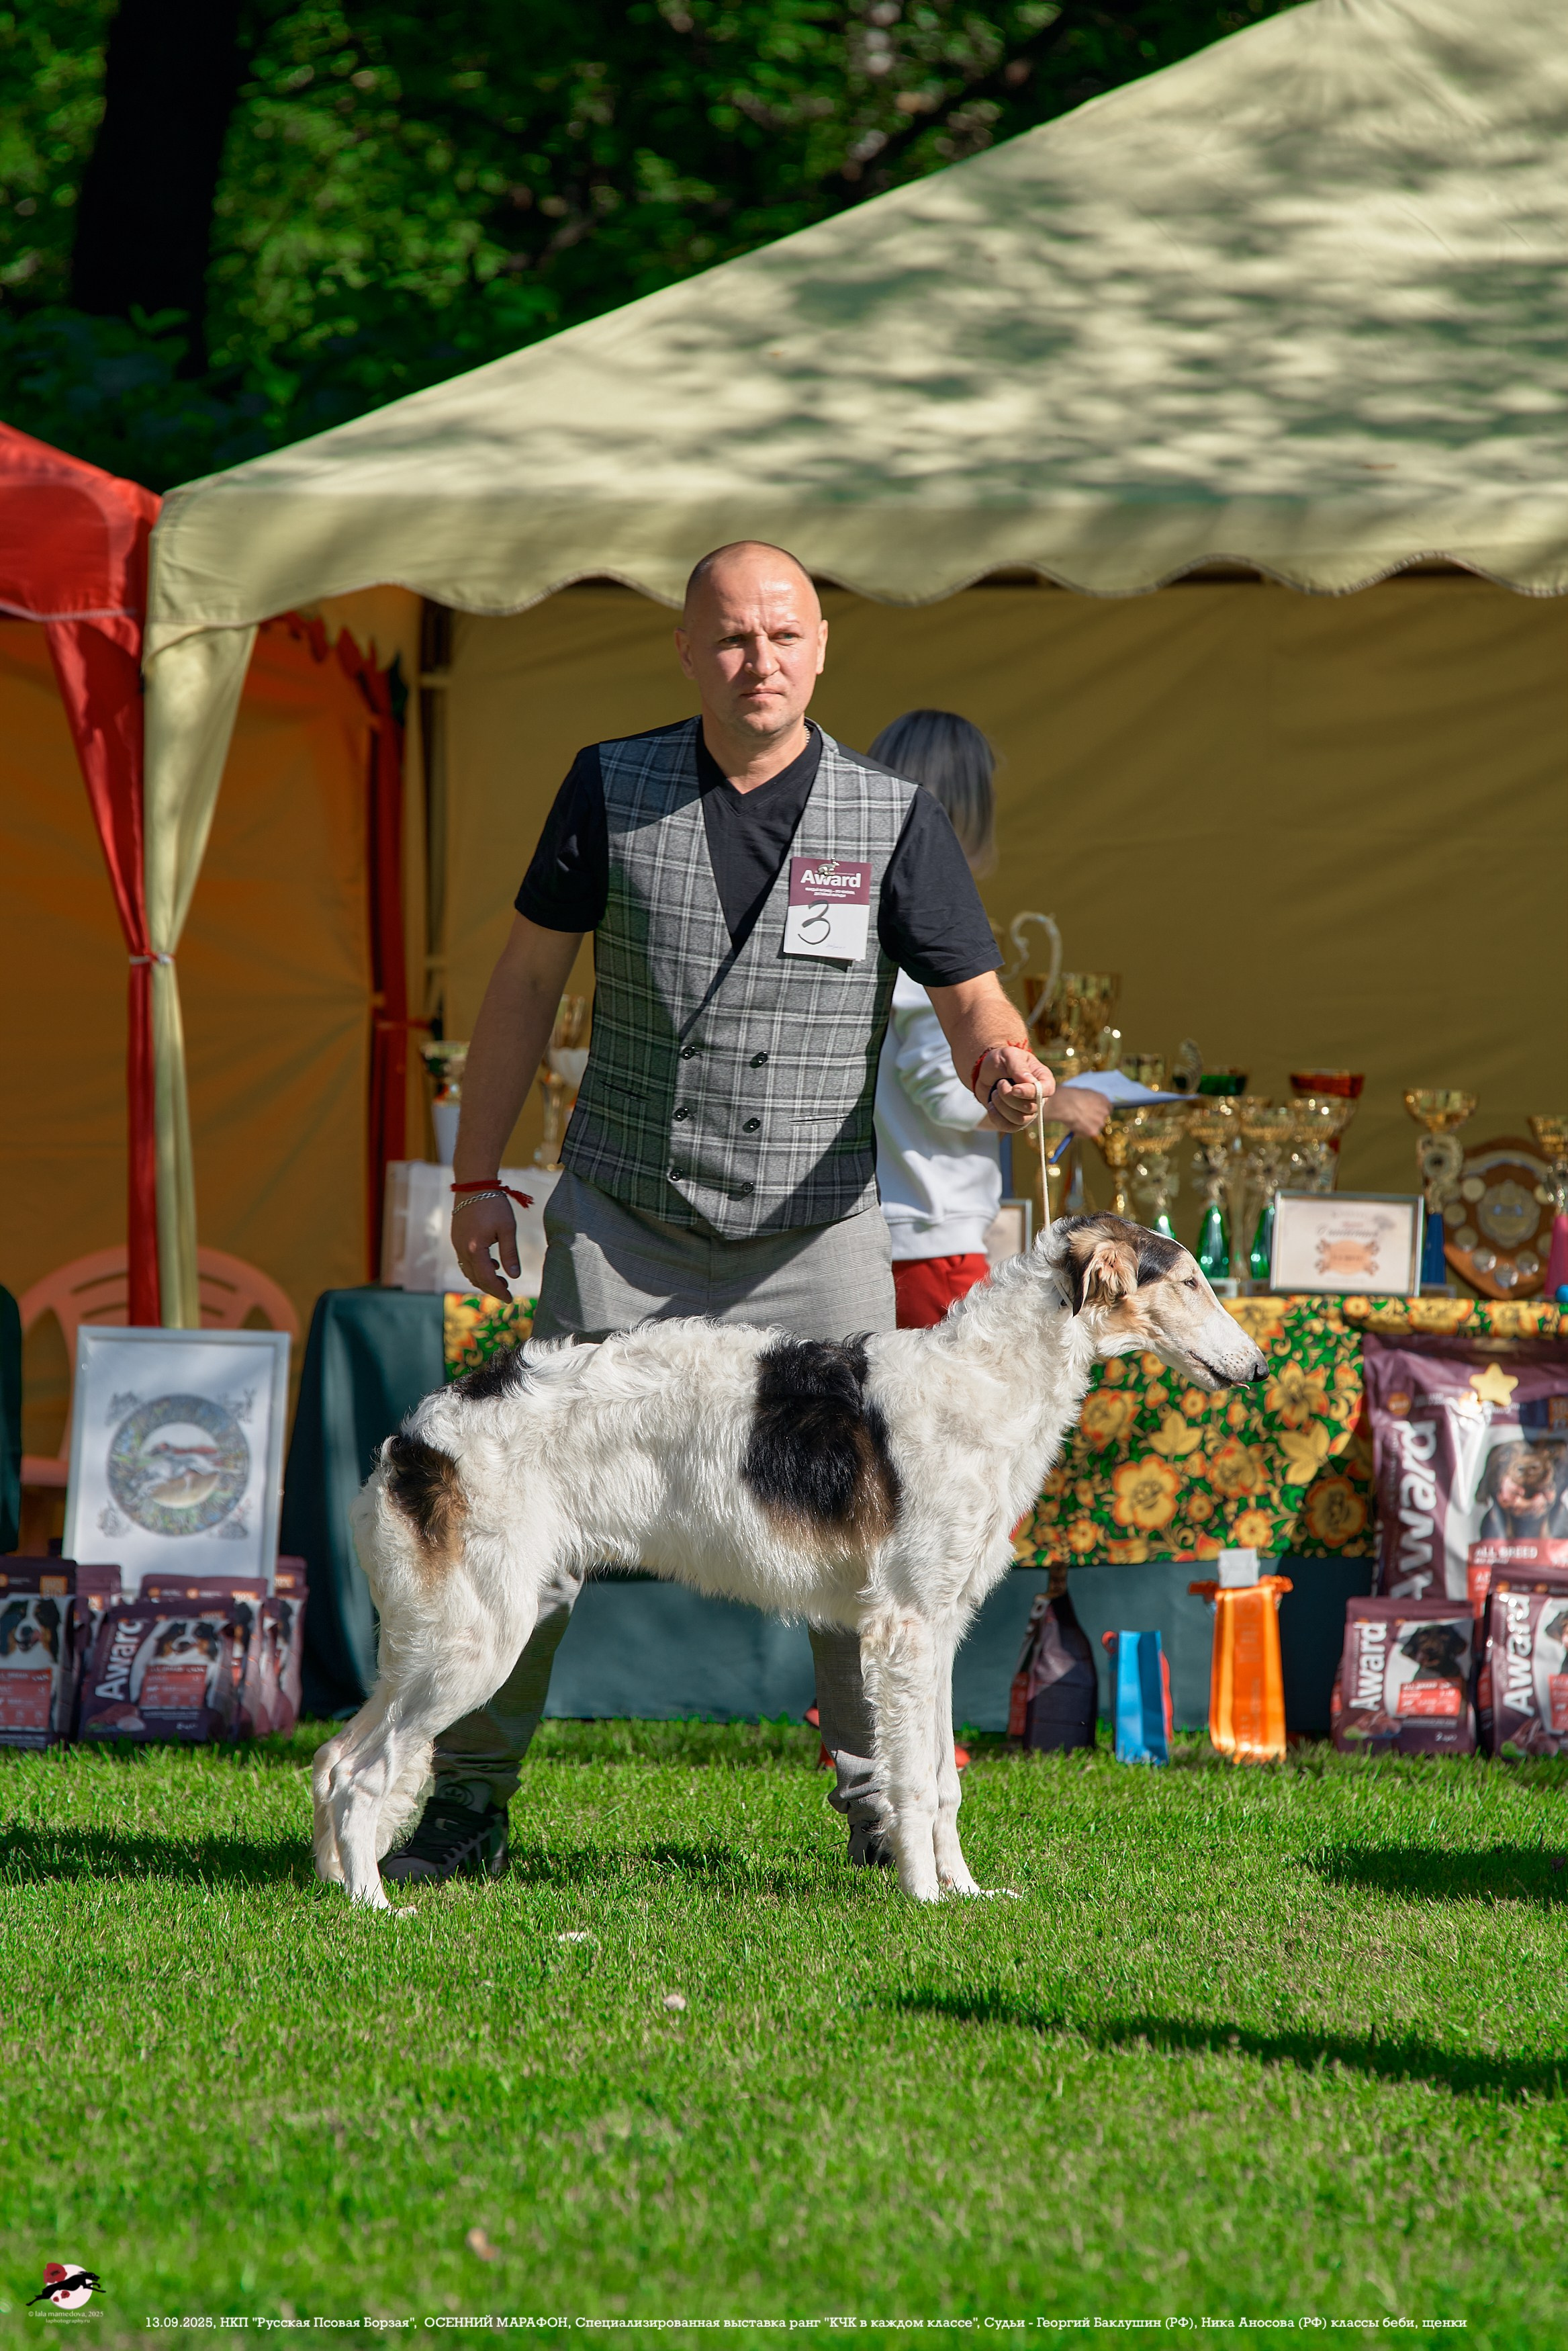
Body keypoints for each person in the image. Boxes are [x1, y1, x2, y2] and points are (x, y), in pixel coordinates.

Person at [383, 541, 1056, 1888]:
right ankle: (465, 1805)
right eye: (734, 639)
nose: (762, 663)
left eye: (785, 636)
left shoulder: (892, 816)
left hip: (817, 1240)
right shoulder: (609, 785)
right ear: (688, 651)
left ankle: (885, 1813)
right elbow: (523, 981)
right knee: (533, 1520)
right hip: (624, 1227)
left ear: (822, 649)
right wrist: (477, 1174)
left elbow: (973, 998)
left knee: (870, 1539)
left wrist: (1003, 1061)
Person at [869, 710, 1109, 1330]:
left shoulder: (872, 914)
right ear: (966, 812)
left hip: (906, 1225)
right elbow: (944, 1089)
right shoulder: (922, 932)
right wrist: (1054, 1102)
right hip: (928, 1235)